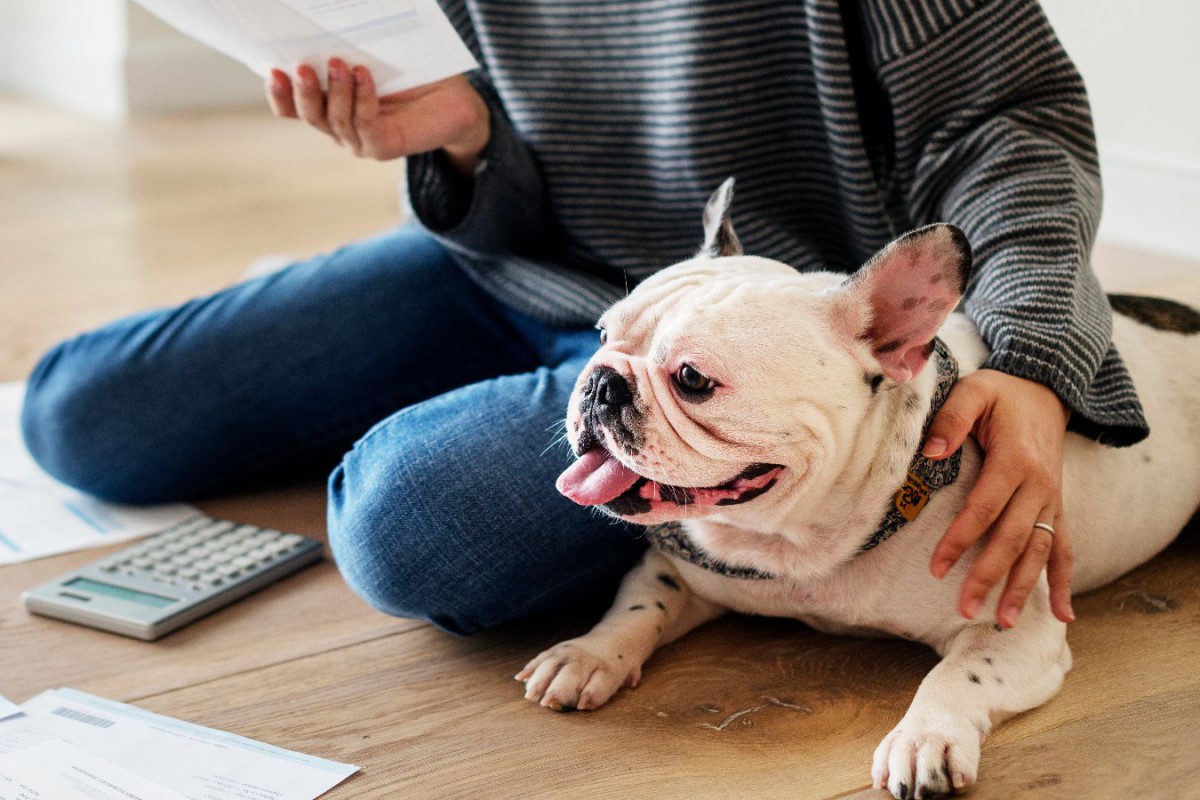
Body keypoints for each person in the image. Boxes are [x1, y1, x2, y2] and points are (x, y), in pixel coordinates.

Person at [21, 0, 1148, 636]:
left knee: (407, 528)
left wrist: (1038, 351)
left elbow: (1012, 125)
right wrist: (462, 136)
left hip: (761, 345)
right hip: (535, 275)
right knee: (79, 414)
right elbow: (511, 153)